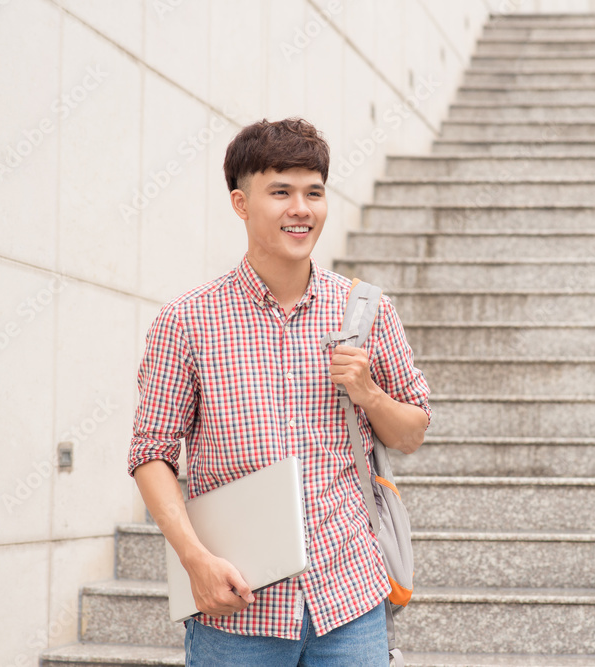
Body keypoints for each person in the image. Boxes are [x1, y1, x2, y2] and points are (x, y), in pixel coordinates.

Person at [127, 117, 430, 666]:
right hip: (238, 604)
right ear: (241, 204)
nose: (302, 208)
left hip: (351, 600)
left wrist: (370, 395)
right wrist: (195, 560)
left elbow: (412, 433)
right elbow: (151, 456)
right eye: (281, 192)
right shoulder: (187, 321)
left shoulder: (366, 311)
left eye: (314, 192)